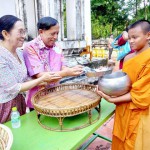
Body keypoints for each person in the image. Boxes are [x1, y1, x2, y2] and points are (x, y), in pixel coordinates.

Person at [97, 20, 150, 150]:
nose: (131, 41)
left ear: (148, 35)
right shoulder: (128, 57)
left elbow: (141, 95)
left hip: (139, 112)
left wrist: (111, 99)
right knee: (119, 142)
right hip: (123, 109)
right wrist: (105, 84)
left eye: (135, 37)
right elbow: (124, 79)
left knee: (134, 144)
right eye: (129, 37)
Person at [0, 15, 61, 123]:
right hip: (4, 105)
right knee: (6, 136)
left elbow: (25, 77)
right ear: (5, 34)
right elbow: (14, 88)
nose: (24, 36)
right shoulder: (1, 56)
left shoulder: (19, 52)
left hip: (19, 102)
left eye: (24, 31)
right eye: (20, 32)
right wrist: (41, 79)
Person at [23, 17, 83, 109]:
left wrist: (72, 70)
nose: (55, 37)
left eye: (57, 33)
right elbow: (40, 75)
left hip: (55, 94)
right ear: (41, 31)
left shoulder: (57, 47)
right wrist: (66, 73)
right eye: (52, 33)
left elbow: (63, 66)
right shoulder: (30, 47)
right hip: (37, 97)